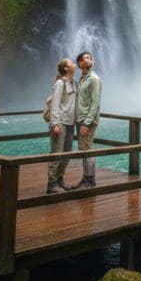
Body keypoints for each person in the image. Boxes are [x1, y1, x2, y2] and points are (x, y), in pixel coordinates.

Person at [47, 58, 77, 194]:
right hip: (60, 123)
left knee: (66, 154)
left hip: (71, 123)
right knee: (57, 154)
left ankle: (60, 180)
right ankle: (51, 185)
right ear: (65, 68)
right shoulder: (60, 83)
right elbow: (55, 104)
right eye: (71, 63)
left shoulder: (74, 84)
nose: (74, 64)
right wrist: (55, 124)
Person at [75, 51, 103, 189]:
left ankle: (89, 180)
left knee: (87, 149)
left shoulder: (94, 79)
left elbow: (95, 103)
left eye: (90, 57)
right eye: (86, 58)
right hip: (81, 118)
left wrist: (87, 123)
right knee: (84, 149)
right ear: (80, 63)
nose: (89, 59)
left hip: (88, 120)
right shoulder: (82, 78)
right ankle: (86, 178)